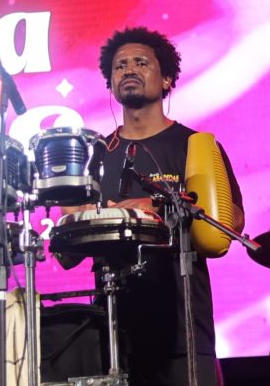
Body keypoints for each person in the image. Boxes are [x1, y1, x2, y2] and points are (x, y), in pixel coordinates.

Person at [64, 26, 244, 385]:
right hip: (114, 332)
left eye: (141, 63)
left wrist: (158, 207)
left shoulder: (194, 146)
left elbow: (232, 221)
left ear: (166, 80)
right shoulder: (94, 157)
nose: (129, 69)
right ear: (110, 84)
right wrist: (77, 221)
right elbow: (68, 252)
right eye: (120, 66)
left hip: (183, 330)